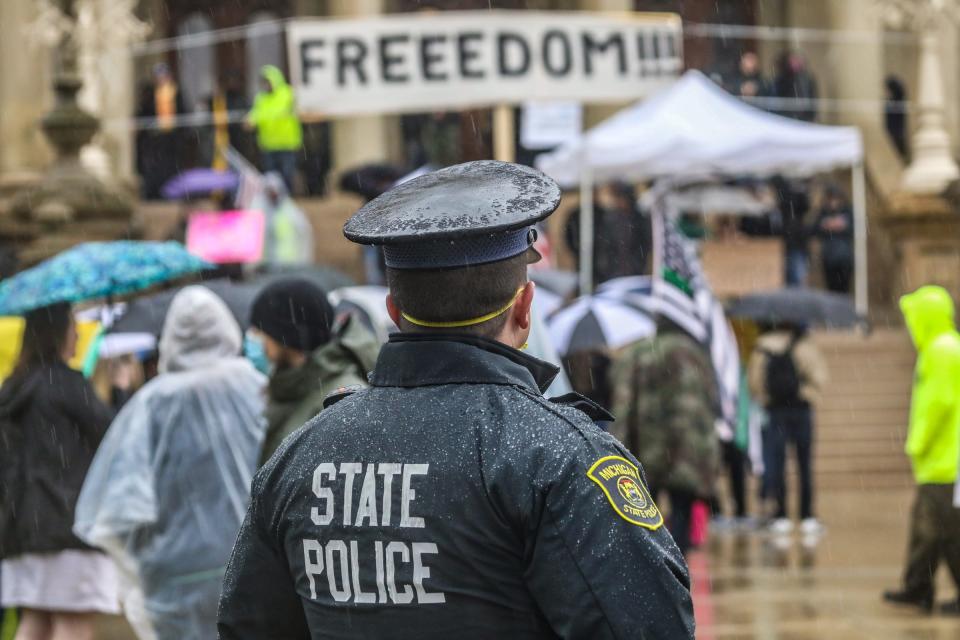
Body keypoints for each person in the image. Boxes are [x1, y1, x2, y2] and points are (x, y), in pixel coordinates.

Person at [218, 160, 695, 639]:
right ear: (525, 307)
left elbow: (246, 625)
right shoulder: (557, 457)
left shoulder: (298, 457)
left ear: (394, 312)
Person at [72, 287, 266, 640]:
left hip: (175, 575)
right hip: (248, 567)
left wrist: (145, 563)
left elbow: (117, 510)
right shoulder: (257, 389)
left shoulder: (150, 404)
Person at [0, 303, 119, 640]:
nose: (78, 333)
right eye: (71, 325)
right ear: (56, 334)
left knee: (34, 622)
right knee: (73, 624)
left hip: (21, 528)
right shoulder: (66, 384)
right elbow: (111, 439)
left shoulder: (12, 390)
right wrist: (111, 388)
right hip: (68, 524)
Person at [609, 322, 721, 555]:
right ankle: (677, 563)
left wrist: (615, 445)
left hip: (646, 447)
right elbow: (710, 403)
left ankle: (649, 559)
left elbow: (622, 403)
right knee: (681, 509)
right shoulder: (693, 354)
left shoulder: (636, 354)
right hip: (686, 449)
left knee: (642, 511)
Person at [884, 286, 960, 614]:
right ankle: (918, 586)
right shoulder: (940, 348)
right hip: (938, 461)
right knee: (925, 527)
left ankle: (920, 588)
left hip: (946, 460)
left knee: (944, 531)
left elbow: (939, 403)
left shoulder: (942, 350)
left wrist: (918, 441)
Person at [249, 278, 380, 465]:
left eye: (258, 330)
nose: (251, 337)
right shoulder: (288, 387)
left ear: (284, 337)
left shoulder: (340, 400)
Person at [748, 322, 828, 535]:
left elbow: (754, 382)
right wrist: (803, 392)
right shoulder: (806, 346)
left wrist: (767, 397)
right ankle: (807, 514)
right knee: (804, 464)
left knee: (777, 463)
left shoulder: (763, 346)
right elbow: (820, 378)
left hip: (775, 411)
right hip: (801, 410)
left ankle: (781, 513)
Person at [564, 181, 652, 288]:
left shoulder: (637, 219)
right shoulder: (609, 217)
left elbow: (644, 243)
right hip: (609, 273)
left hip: (629, 272)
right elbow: (604, 245)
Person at [247, 65, 303, 193]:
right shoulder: (260, 98)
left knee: (287, 175)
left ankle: (287, 199)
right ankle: (274, 202)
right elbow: (255, 113)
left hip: (287, 143)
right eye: (264, 82)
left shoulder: (288, 93)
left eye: (268, 81)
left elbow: (289, 110)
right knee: (271, 177)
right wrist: (250, 120)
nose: (266, 85)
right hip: (268, 145)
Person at [136, 63, 187, 200]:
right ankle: (154, 193)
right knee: (154, 167)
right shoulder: (151, 94)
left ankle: (169, 193)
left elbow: (182, 114)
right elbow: (144, 113)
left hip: (170, 138)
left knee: (169, 167)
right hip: (155, 139)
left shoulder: (176, 93)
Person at [812, 185, 854, 294]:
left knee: (843, 288)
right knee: (831, 289)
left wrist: (831, 225)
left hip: (844, 257)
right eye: (831, 199)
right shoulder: (823, 213)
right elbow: (815, 230)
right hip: (829, 257)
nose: (833, 202)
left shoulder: (848, 211)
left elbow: (851, 229)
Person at [771, 175, 812, 287]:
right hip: (787, 245)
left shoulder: (790, 202)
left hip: (794, 244)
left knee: (795, 280)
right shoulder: (789, 200)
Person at [773, 51, 818, 122]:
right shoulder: (784, 77)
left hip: (805, 115)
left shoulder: (807, 77)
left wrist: (812, 113)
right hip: (789, 115)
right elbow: (780, 94)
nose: (795, 64)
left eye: (797, 61)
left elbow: (812, 95)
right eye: (793, 61)